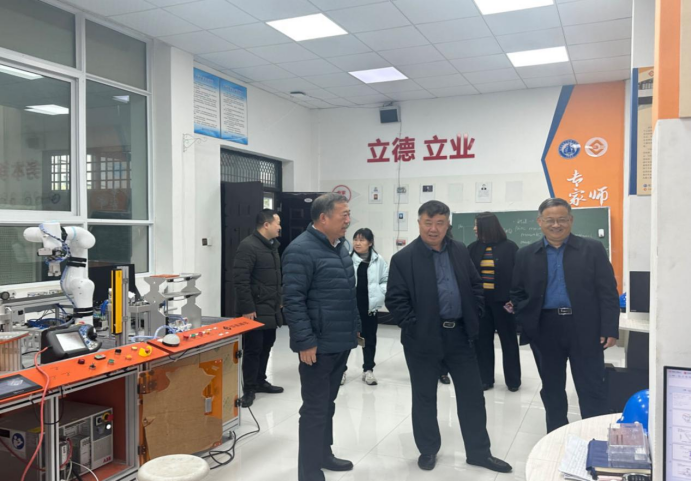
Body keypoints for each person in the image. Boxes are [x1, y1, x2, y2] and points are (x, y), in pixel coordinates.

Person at [385, 200, 512, 474]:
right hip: (422, 340)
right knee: (424, 397)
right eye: (428, 223)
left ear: (448, 224)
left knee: (472, 396)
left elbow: (475, 285)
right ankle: (428, 450)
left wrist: (475, 314)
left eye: (440, 223)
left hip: (461, 336)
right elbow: (395, 300)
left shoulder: (459, 250)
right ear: (419, 223)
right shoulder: (403, 259)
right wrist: (415, 327)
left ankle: (479, 452)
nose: (434, 229)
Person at [511, 198, 619, 433]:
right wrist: (527, 322)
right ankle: (557, 433)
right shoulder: (526, 254)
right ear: (540, 222)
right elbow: (517, 292)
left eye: (562, 219)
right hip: (545, 328)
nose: (556, 225)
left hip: (585, 327)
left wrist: (609, 328)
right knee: (552, 388)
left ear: (571, 220)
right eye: (550, 220)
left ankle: (595, 434)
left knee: (591, 386)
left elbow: (608, 292)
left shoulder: (592, 249)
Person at [282, 193, 360, 481]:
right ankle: (309, 471)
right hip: (317, 345)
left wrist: (355, 327)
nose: (348, 220)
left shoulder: (339, 247)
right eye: (343, 215)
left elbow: (347, 293)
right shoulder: (300, 250)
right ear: (324, 218)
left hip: (339, 340)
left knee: (328, 404)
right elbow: (293, 300)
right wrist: (305, 341)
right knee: (315, 408)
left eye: (349, 214)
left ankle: (324, 454)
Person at [233, 209, 284, 408]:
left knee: (267, 345)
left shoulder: (272, 246)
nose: (280, 227)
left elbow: (275, 278)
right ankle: (249, 388)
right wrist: (247, 308)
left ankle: (261, 381)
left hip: (271, 306)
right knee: (253, 349)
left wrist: (280, 300)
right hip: (254, 309)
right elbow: (240, 280)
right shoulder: (248, 246)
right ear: (266, 224)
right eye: (277, 223)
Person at [468, 212, 521, 392]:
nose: (474, 228)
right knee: (482, 342)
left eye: (477, 225)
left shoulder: (510, 247)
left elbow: (519, 276)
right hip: (481, 303)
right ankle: (485, 379)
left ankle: (513, 380)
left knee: (509, 341)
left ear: (487, 227)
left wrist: (514, 300)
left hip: (505, 303)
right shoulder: (472, 248)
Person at [349, 228, 388, 386]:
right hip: (350, 307)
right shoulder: (347, 259)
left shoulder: (379, 260)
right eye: (355, 239)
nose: (357, 243)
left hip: (369, 307)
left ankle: (368, 370)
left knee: (369, 339)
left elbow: (386, 280)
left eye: (362, 240)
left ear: (370, 243)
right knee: (346, 340)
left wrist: (380, 292)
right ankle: (341, 370)